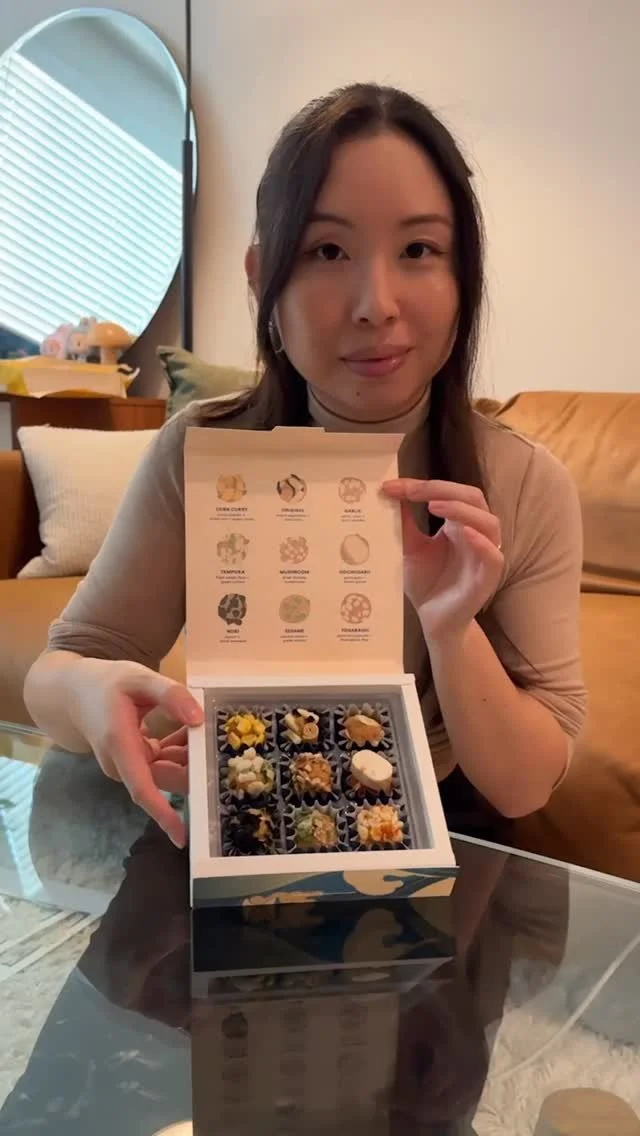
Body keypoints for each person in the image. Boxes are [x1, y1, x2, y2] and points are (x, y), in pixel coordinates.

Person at [24, 83, 586, 850]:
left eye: (419, 250)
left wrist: (451, 629)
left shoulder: (524, 483)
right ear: (263, 278)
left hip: (441, 837)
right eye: (327, 251)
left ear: (464, 277)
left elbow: (523, 786)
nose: (375, 304)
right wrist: (95, 695)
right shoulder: (200, 451)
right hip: (240, 818)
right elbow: (59, 672)